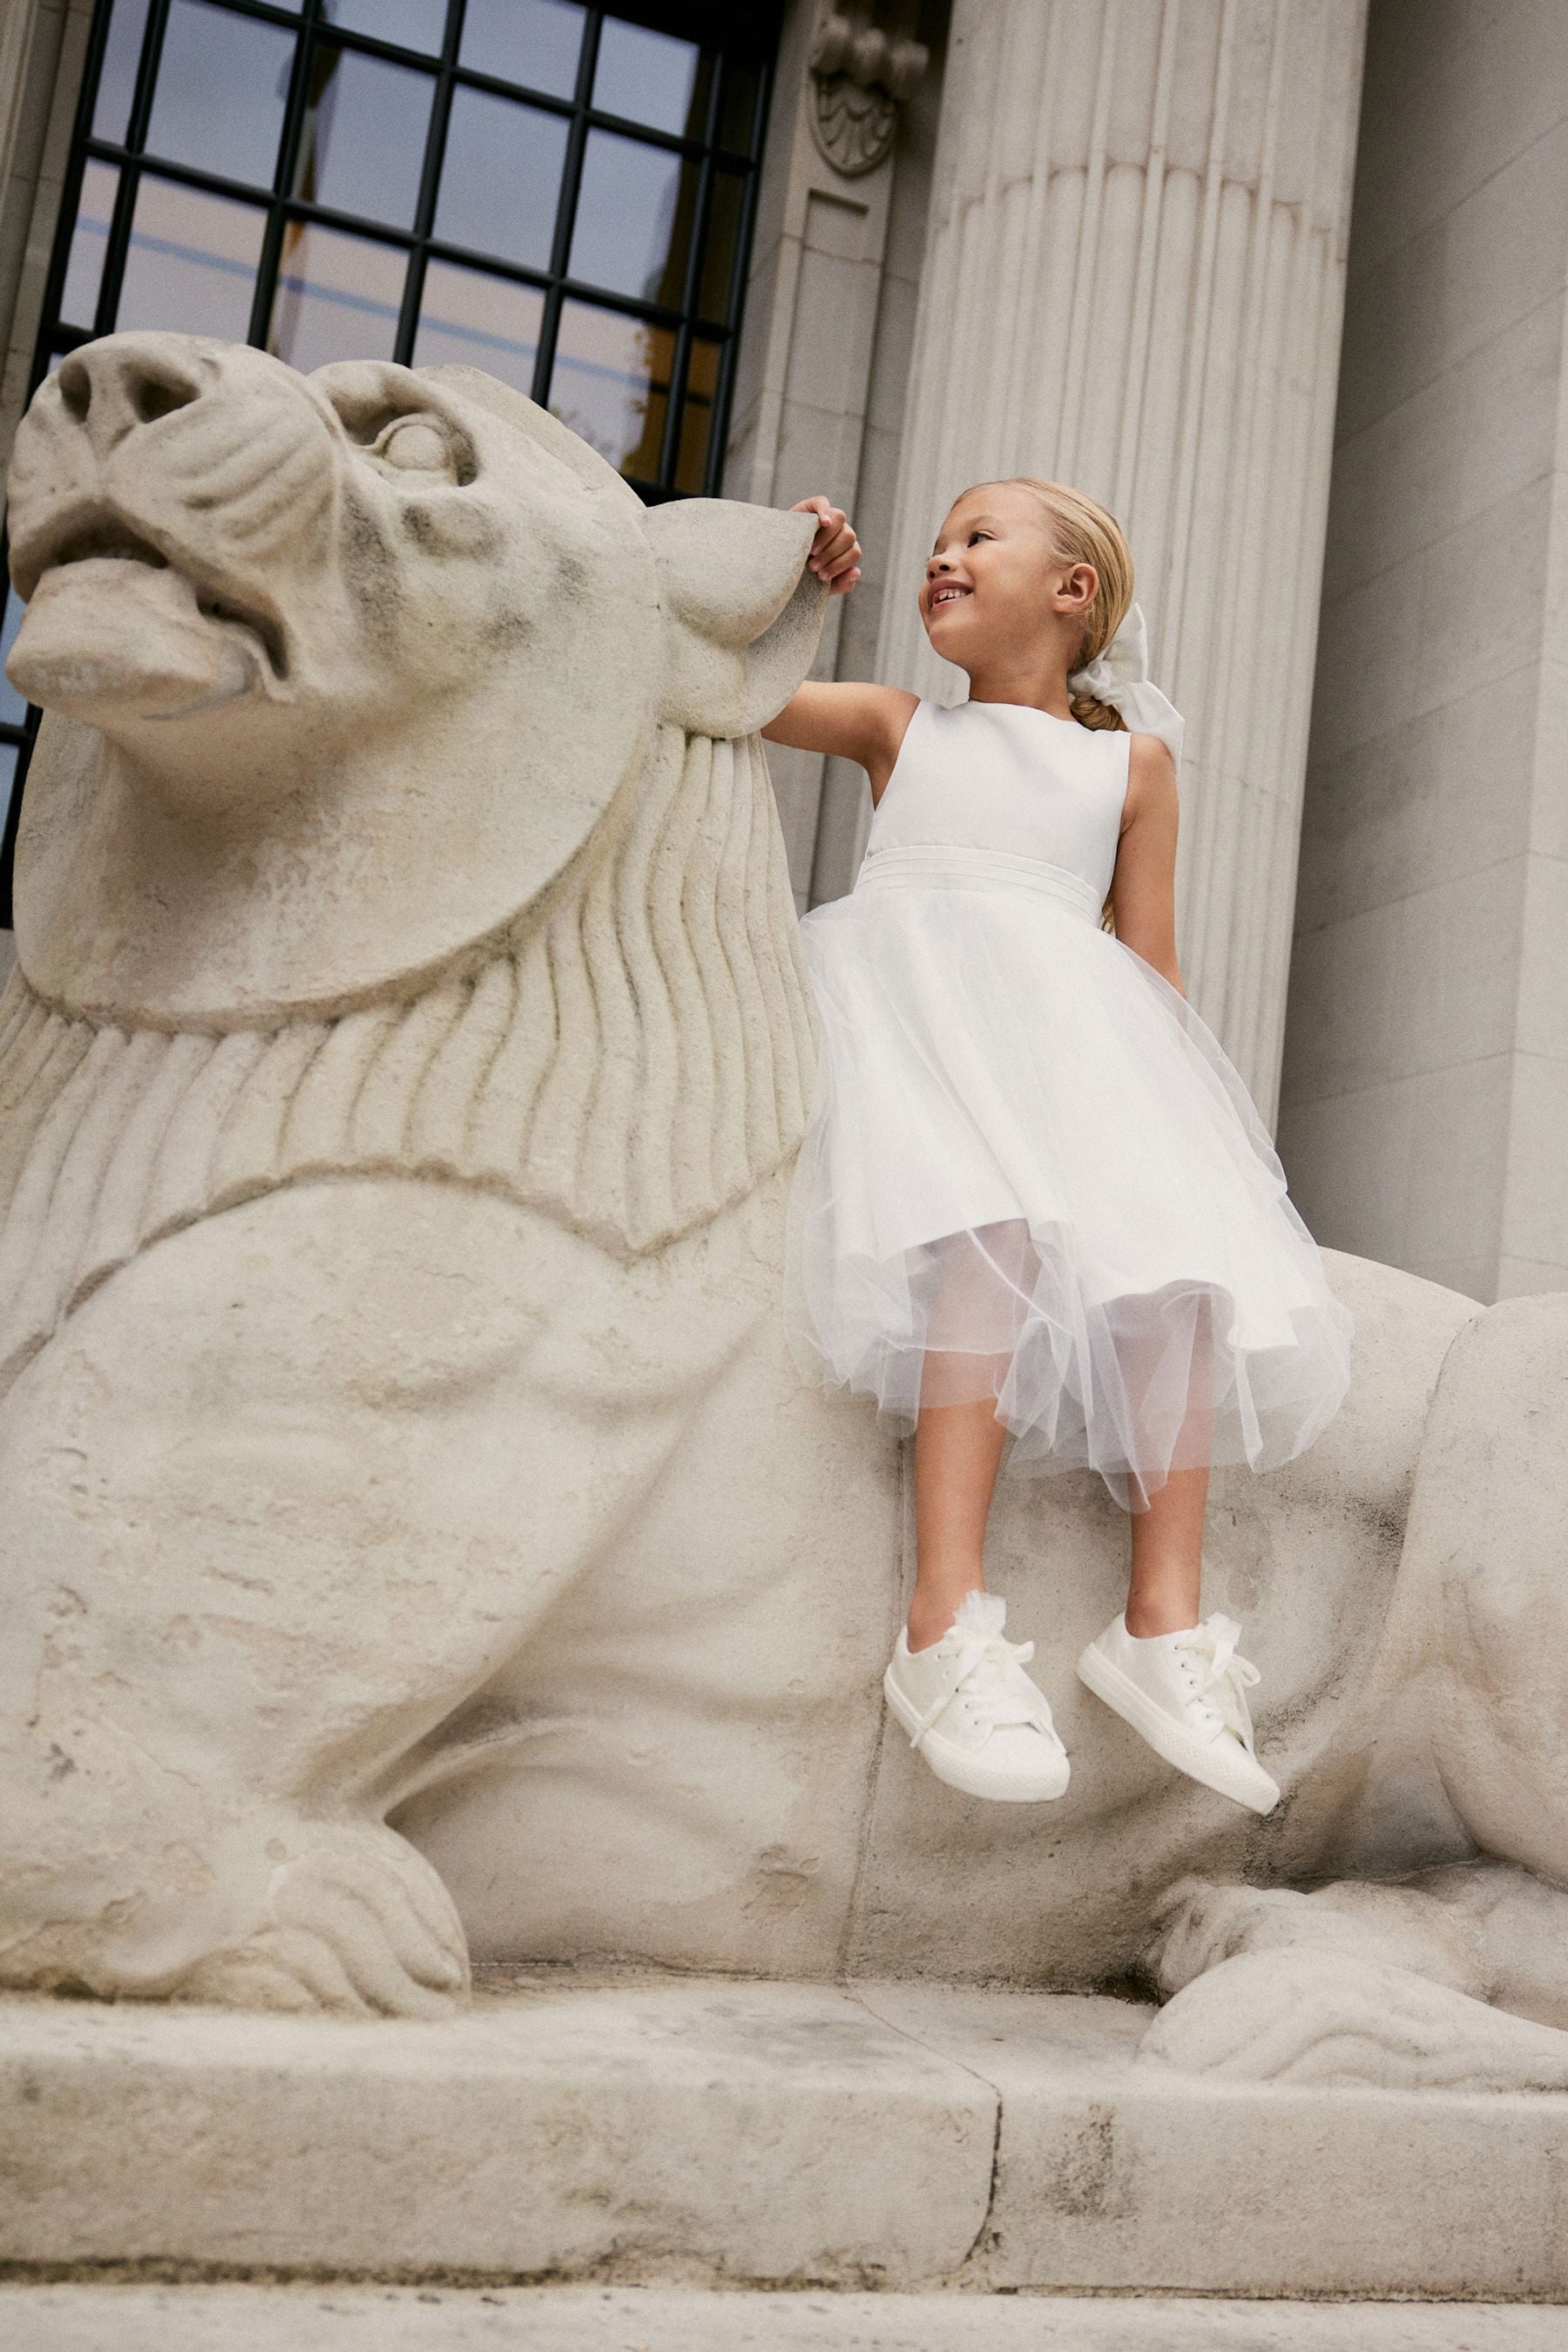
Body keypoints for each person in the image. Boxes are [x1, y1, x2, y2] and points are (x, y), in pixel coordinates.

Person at [763, 479, 1354, 1817]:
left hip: (1063, 1045)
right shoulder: (893, 725)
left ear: (1070, 591)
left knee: (1179, 1263)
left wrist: (1170, 1137)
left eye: (977, 537)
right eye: (936, 543)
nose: (941, 555)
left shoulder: (1131, 767)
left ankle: (1161, 1627)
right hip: (907, 1033)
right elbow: (722, 690)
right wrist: (795, 584)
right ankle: (945, 1624)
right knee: (991, 1232)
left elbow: (1148, 966)